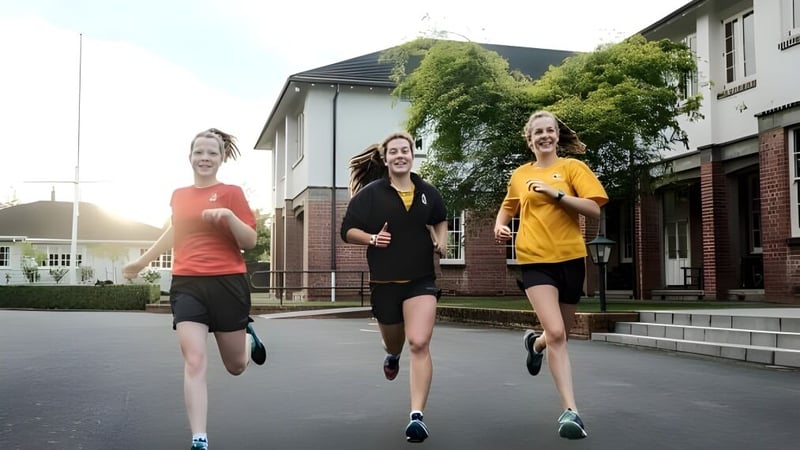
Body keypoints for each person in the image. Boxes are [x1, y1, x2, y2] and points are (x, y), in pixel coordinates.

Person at [122, 128, 266, 450]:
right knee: (195, 359)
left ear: (221, 158)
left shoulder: (232, 193)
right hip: (187, 283)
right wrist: (141, 263)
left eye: (211, 153)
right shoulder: (179, 195)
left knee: (236, 366)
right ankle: (199, 438)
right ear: (190, 156)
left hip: (228, 282)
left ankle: (246, 336)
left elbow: (250, 242)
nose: (204, 158)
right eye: (199, 152)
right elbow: (174, 233)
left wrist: (228, 216)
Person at [494, 111, 608, 440]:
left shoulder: (573, 168)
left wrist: (555, 193)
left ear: (557, 136)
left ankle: (535, 343)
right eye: (538, 132)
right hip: (534, 260)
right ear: (530, 140)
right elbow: (508, 206)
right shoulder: (520, 175)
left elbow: (594, 209)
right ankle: (571, 412)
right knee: (557, 332)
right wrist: (501, 225)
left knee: (560, 335)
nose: (544, 136)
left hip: (571, 259)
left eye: (550, 131)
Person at [341, 131, 447, 443]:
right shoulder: (372, 194)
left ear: (413, 156)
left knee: (419, 343)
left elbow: (440, 218)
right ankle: (391, 355)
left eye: (406, 150)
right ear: (386, 159)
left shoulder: (428, 192)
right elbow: (347, 230)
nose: (400, 155)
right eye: (394, 152)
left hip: (421, 280)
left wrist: (441, 240)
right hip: (385, 282)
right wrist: (372, 238)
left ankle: (416, 416)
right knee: (395, 343)